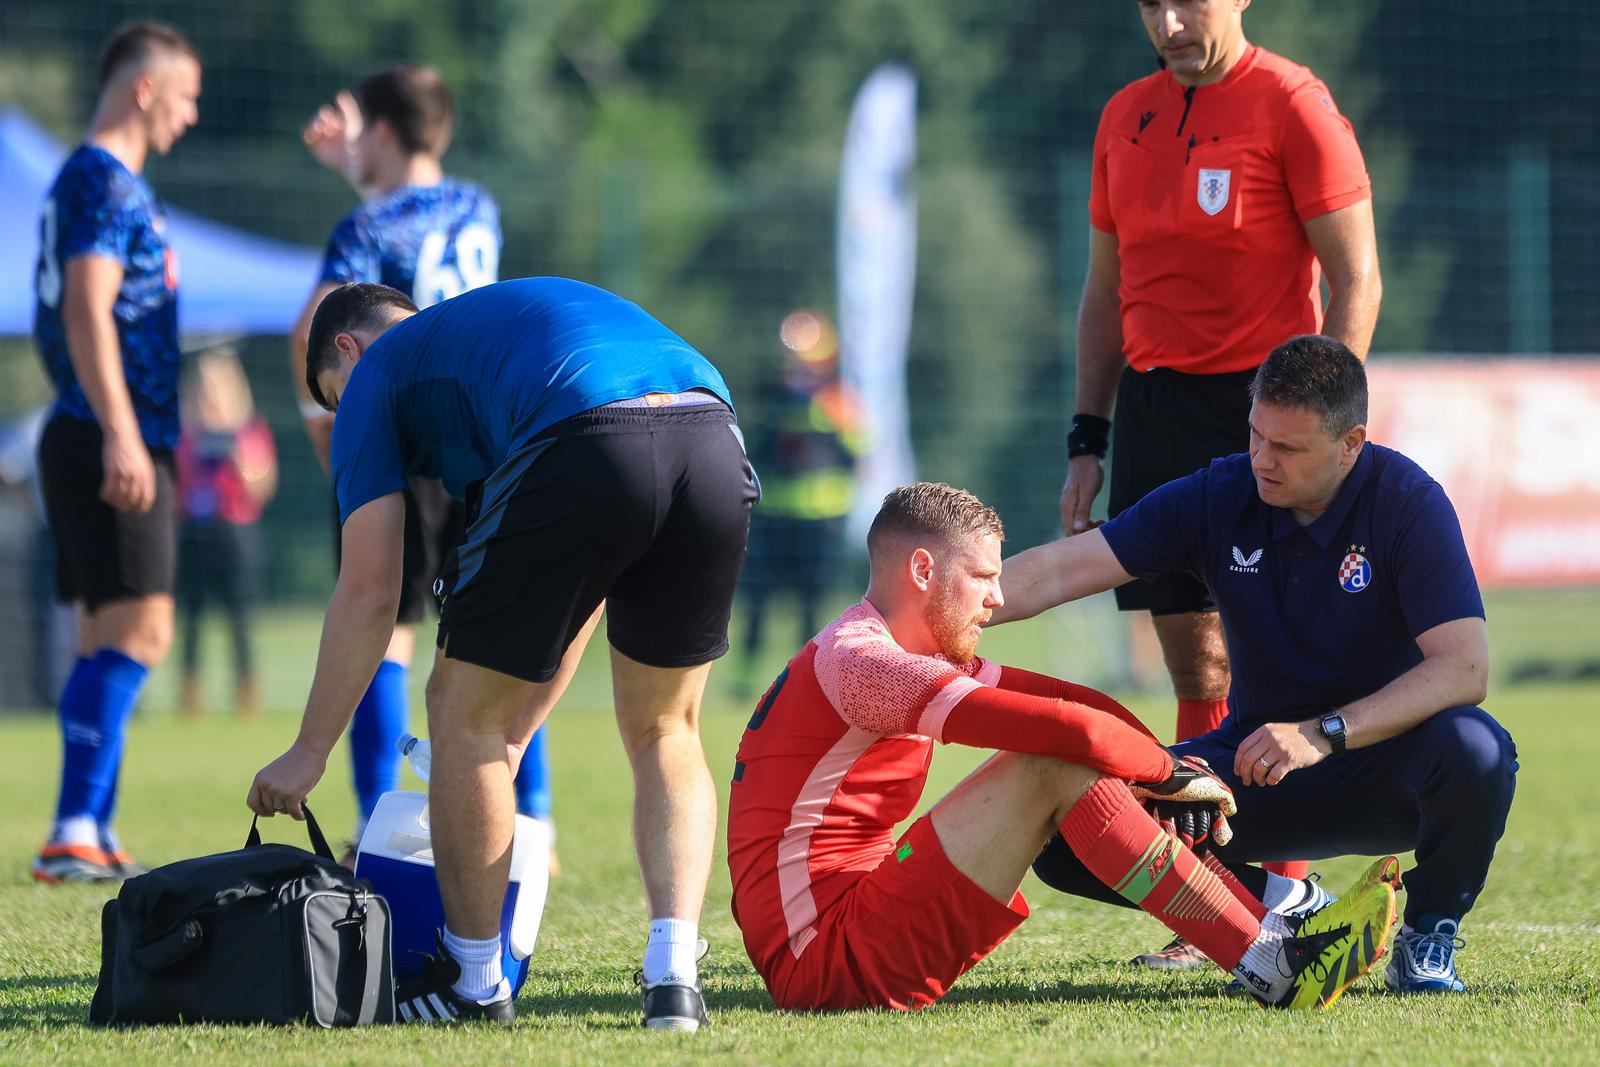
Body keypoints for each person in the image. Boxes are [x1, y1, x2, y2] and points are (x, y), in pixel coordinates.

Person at [248, 278, 759, 1029]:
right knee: (666, 727)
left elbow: (369, 591)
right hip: (712, 432)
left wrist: (308, 751)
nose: (341, 411)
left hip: (584, 435)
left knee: (459, 715)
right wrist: (518, 730)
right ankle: (673, 978)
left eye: (333, 393)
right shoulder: (478, 347)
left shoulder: (376, 373)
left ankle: (475, 981)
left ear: (348, 350)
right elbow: (579, 590)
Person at [727, 480, 1398, 1014]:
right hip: (823, 958)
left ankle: (1272, 938)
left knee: (1063, 755)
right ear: (923, 569)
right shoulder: (867, 662)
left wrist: (1164, 767)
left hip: (852, 919)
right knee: (1048, 760)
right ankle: (1272, 957)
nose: (997, 597)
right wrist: (1168, 774)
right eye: (984, 576)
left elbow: (1076, 706)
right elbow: (1066, 733)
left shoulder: (904, 645)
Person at [1003, 336, 1516, 995]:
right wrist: (939, 610)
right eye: (1255, 436)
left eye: (1287, 448)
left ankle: (1425, 935)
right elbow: (1064, 567)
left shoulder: (1408, 500)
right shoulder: (1221, 492)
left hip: (1395, 767)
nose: (1262, 461)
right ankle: (1295, 908)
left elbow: (1464, 668)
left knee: (1479, 748)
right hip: (1254, 770)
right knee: (1073, 829)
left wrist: (1322, 731)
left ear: (1351, 444)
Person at [1060, 0, 1384, 962]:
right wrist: (1090, 435)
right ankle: (1220, 891)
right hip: (1158, 414)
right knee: (1194, 660)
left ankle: (1279, 876)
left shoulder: (1293, 103)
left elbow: (1357, 278)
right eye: (1149, 3)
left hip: (1263, 408)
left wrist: (1320, 420)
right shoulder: (1124, 115)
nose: (1166, 20)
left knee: (1262, 648)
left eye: (1187, 2)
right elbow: (1105, 292)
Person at [288, 63, 554, 861]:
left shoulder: (363, 231)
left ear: (384, 131)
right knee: (504, 628)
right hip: (489, 437)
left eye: (358, 127)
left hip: (405, 439)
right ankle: (529, 809)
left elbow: (318, 321)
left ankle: (381, 817)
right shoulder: (479, 206)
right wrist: (353, 165)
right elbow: (415, 218)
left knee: (387, 629)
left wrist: (323, 426)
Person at [30, 21, 201, 884]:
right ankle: (73, 824)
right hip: (111, 432)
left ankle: (87, 823)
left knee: (105, 632)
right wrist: (125, 431)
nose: (192, 114)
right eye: (186, 96)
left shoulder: (91, 177)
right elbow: (85, 308)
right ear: (144, 89)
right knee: (143, 630)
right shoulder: (106, 179)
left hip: (83, 428)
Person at [735, 309, 860, 694]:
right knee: (757, 600)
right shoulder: (771, 398)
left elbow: (857, 452)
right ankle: (743, 681)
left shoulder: (838, 400)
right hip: (773, 515)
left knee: (811, 604)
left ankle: (806, 680)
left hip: (820, 519)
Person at [175, 348, 277, 719]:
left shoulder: (249, 430)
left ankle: (246, 693)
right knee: (191, 618)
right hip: (194, 531)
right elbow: (174, 484)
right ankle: (189, 696)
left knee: (240, 618)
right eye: (203, 386)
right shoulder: (184, 433)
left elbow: (262, 486)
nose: (210, 395)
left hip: (236, 531)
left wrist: (238, 459)